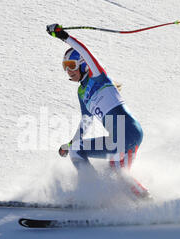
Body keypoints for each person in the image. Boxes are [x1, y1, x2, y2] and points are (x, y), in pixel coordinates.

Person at [46, 23, 151, 200]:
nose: (68, 71)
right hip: (118, 137)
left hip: (128, 131)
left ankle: (150, 204)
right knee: (106, 167)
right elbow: (86, 121)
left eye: (72, 65)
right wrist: (70, 144)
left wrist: (63, 36)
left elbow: (85, 51)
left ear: (83, 65)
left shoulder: (98, 77)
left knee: (118, 171)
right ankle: (95, 194)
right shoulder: (81, 92)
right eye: (65, 66)